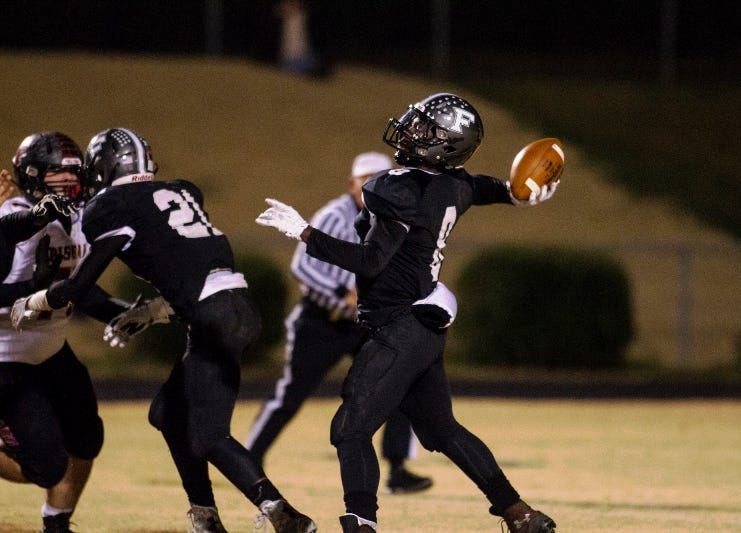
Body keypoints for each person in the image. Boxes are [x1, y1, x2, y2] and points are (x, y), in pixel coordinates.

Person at [254, 93, 559, 533]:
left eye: (425, 130)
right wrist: (516, 195)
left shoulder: (397, 188)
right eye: (416, 124)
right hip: (422, 324)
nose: (412, 132)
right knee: (443, 431)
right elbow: (482, 186)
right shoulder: (453, 184)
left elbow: (371, 261)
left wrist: (305, 233)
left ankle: (362, 524)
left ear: (447, 144)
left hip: (399, 325)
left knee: (350, 429)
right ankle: (520, 514)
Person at [10, 128, 316, 533]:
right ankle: (205, 516)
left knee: (208, 436)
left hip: (214, 315)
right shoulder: (180, 191)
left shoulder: (111, 206)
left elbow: (80, 286)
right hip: (232, 307)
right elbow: (186, 262)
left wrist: (33, 301)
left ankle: (283, 514)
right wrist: (153, 311)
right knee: (167, 414)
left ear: (104, 167)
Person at [245, 151, 433, 495]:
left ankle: (398, 469)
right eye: (369, 180)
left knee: (399, 382)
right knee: (290, 394)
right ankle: (247, 461)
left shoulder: (393, 219)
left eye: (383, 180)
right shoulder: (335, 215)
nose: (376, 187)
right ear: (352, 184)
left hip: (365, 323)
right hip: (322, 322)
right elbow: (302, 267)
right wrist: (341, 292)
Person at [0, 132, 127, 533]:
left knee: (87, 438)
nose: (69, 179)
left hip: (51, 351)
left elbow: (78, 290)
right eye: (58, 171)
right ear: (32, 174)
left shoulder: (78, 217)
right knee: (44, 466)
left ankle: (57, 525)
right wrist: (33, 290)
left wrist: (127, 314)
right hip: (5, 358)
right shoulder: (9, 217)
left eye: (75, 170)